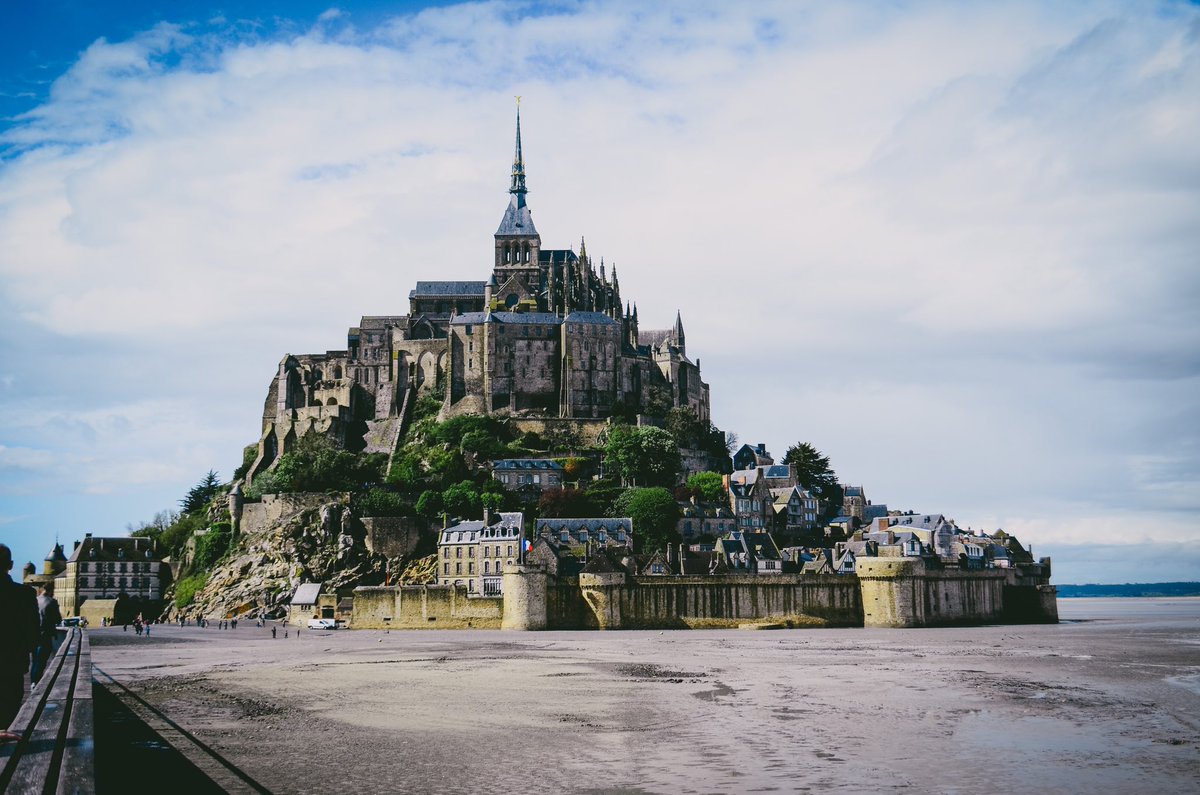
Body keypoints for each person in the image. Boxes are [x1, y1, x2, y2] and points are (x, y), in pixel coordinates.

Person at [0, 544, 39, 736]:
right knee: (8, 721)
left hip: (12, 666)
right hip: (12, 667)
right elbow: (33, 636)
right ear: (11, 565)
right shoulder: (25, 595)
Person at [30, 583, 62, 685]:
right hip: (46, 634)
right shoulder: (52, 602)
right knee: (41, 661)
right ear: (51, 590)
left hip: (33, 634)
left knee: (34, 661)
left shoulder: (34, 600)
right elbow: (58, 619)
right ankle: (37, 682)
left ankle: (33, 682)